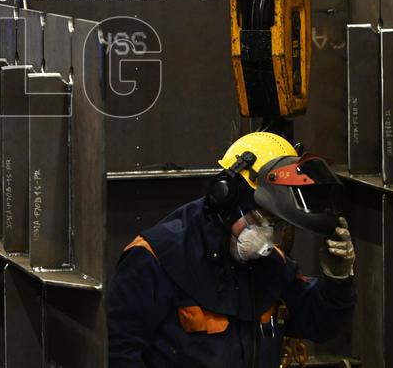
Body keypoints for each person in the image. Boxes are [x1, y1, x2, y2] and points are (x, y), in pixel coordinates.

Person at [107, 132, 357, 367]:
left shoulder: (271, 264)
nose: (267, 237)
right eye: (261, 220)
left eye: (276, 225)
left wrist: (338, 280)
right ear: (226, 198)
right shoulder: (154, 259)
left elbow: (318, 324)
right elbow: (118, 354)